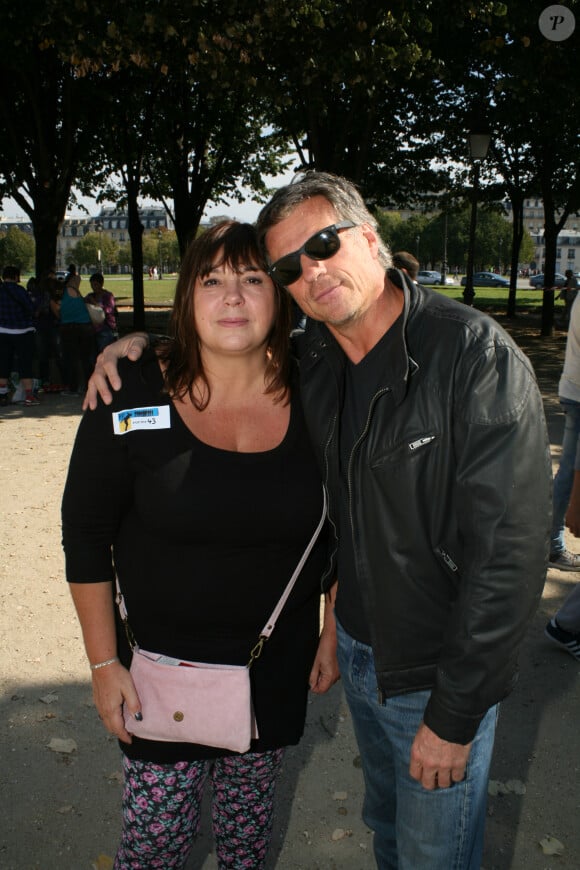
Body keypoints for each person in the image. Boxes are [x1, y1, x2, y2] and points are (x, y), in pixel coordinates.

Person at [85, 173, 552, 870]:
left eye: (324, 243)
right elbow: (337, 515)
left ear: (371, 239)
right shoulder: (320, 364)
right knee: (391, 834)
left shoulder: (471, 358)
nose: (312, 270)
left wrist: (454, 718)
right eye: (290, 266)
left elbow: (511, 561)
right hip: (359, 654)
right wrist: (137, 345)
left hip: (432, 665)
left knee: (435, 853)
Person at [62, 221, 339, 870]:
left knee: (247, 840)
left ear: (281, 295)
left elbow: (349, 521)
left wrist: (336, 625)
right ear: (187, 297)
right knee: (154, 847)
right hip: (159, 679)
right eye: (211, 280)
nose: (232, 297)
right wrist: (105, 668)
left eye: (251, 279)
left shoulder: (323, 393)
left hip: (273, 669)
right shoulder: (129, 391)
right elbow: (85, 534)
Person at [0, 266, 40, 406]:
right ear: (16, 276)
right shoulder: (20, 290)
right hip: (23, 331)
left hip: (3, 331)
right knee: (25, 364)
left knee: (3, 364)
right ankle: (29, 396)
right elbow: (30, 308)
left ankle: (2, 395)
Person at [56, 270, 95, 396]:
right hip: (85, 327)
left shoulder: (62, 294)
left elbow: (58, 312)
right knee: (86, 358)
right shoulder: (77, 292)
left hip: (68, 327)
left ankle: (73, 387)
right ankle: (89, 386)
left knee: (71, 359)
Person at [84, 272, 118, 352]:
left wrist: (96, 304)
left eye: (95, 285)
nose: (93, 287)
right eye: (92, 285)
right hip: (93, 328)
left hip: (106, 327)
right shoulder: (90, 296)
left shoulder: (108, 296)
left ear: (101, 284)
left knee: (104, 352)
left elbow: (109, 309)